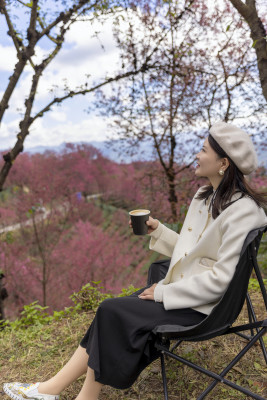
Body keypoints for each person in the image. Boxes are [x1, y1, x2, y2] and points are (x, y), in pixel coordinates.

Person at [3, 122, 267, 400]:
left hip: (204, 308)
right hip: (187, 293)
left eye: (203, 150)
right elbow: (195, 254)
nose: (197, 155)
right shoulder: (205, 197)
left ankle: (70, 394)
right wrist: (160, 231)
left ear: (223, 162)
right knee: (110, 312)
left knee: (111, 310)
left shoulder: (243, 211)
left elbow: (221, 279)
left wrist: (164, 291)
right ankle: (52, 388)